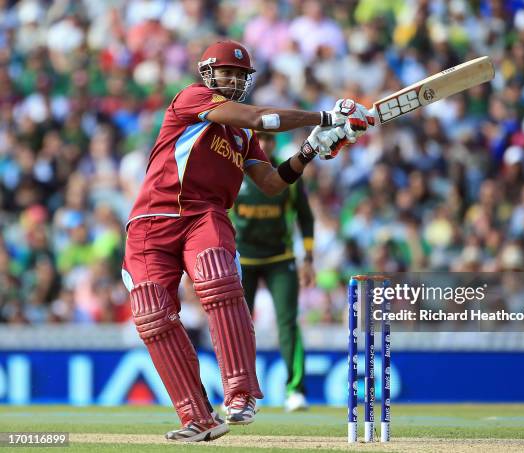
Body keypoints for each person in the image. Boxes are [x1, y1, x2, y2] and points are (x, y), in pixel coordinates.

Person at [121, 39, 373, 442]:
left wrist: (309, 149)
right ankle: (197, 418)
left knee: (217, 279)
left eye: (241, 74)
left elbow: (272, 183)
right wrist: (324, 116)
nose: (234, 79)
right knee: (152, 315)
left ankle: (240, 395)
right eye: (227, 72)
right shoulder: (192, 98)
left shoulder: (241, 137)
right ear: (207, 73)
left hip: (204, 216)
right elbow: (260, 118)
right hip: (151, 221)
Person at [232, 131, 314, 412]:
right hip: (244, 260)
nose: (264, 145)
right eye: (260, 139)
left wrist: (309, 257)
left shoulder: (287, 172)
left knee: (288, 324)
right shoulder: (235, 170)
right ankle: (239, 393)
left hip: (281, 257)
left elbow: (305, 216)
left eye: (269, 140)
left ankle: (295, 391)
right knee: (238, 326)